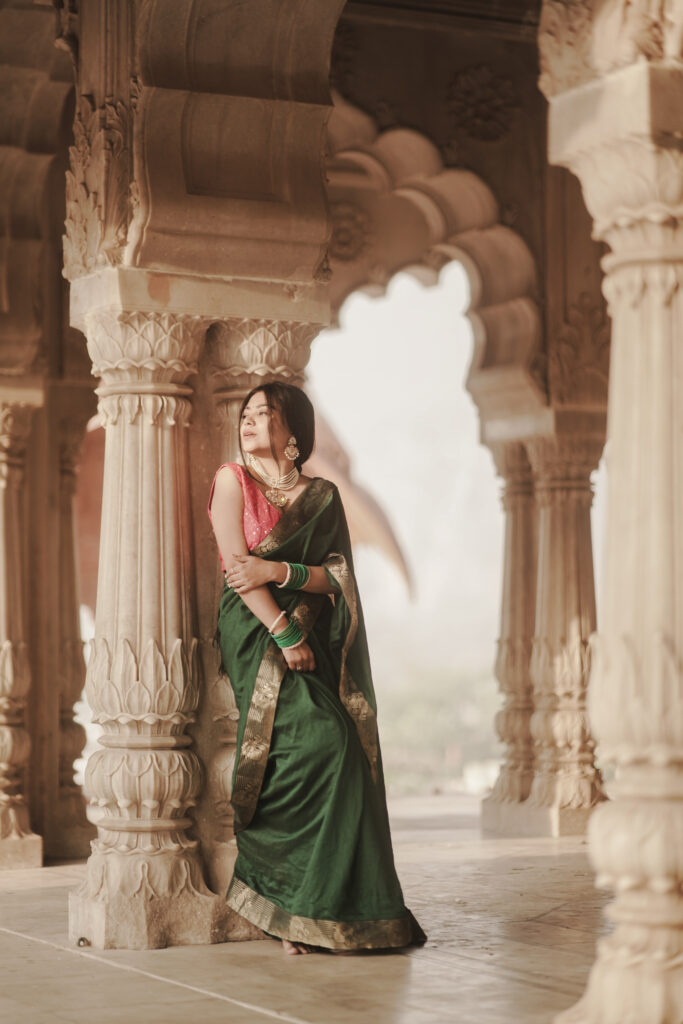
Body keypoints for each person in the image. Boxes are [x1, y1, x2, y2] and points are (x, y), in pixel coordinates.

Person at [208, 381, 426, 955]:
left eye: (265, 415)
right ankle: (285, 903)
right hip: (255, 629)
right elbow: (236, 568)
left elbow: (339, 578)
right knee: (318, 740)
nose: (251, 422)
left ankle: (328, 910)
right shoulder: (232, 481)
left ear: (294, 436)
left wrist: (279, 574)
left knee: (344, 750)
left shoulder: (323, 496)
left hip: (305, 623)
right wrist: (282, 631)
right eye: (247, 414)